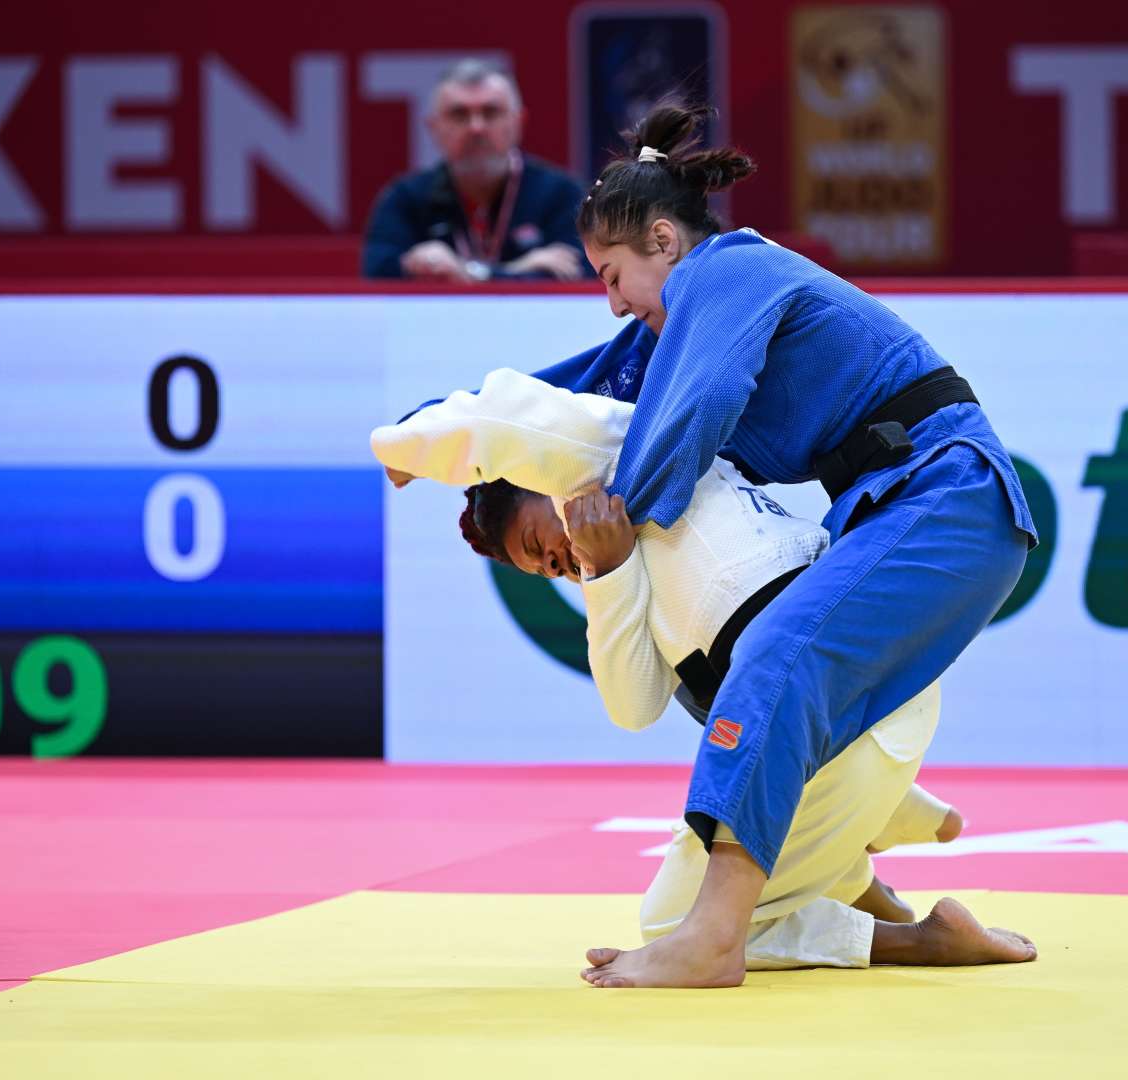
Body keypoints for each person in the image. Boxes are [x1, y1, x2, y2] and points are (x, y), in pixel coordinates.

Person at [509, 101, 1040, 989]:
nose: (613, 302)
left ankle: (715, 935)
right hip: (898, 504)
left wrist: (624, 517)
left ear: (665, 242)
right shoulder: (681, 316)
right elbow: (573, 391)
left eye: (612, 276)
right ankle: (894, 915)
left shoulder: (730, 270)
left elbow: (706, 401)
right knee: (756, 671)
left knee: (776, 650)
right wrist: (430, 437)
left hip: (948, 490)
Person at [371, 368, 1032, 977]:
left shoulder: (627, 447)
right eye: (545, 569)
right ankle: (875, 867)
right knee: (713, 708)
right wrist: (606, 571)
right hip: (850, 717)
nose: (556, 563)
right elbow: (632, 708)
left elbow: (507, 412)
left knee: (673, 924)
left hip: (846, 693)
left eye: (538, 542)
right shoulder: (629, 582)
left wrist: (404, 446)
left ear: (541, 478)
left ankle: (913, 924)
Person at [362, 59, 590, 283]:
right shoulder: (405, 198)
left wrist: (468, 273)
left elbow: (582, 273)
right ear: (434, 127)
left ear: (518, 122)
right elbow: (377, 274)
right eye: (459, 114)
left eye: (491, 112)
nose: (476, 127)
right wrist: (516, 270)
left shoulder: (562, 194)